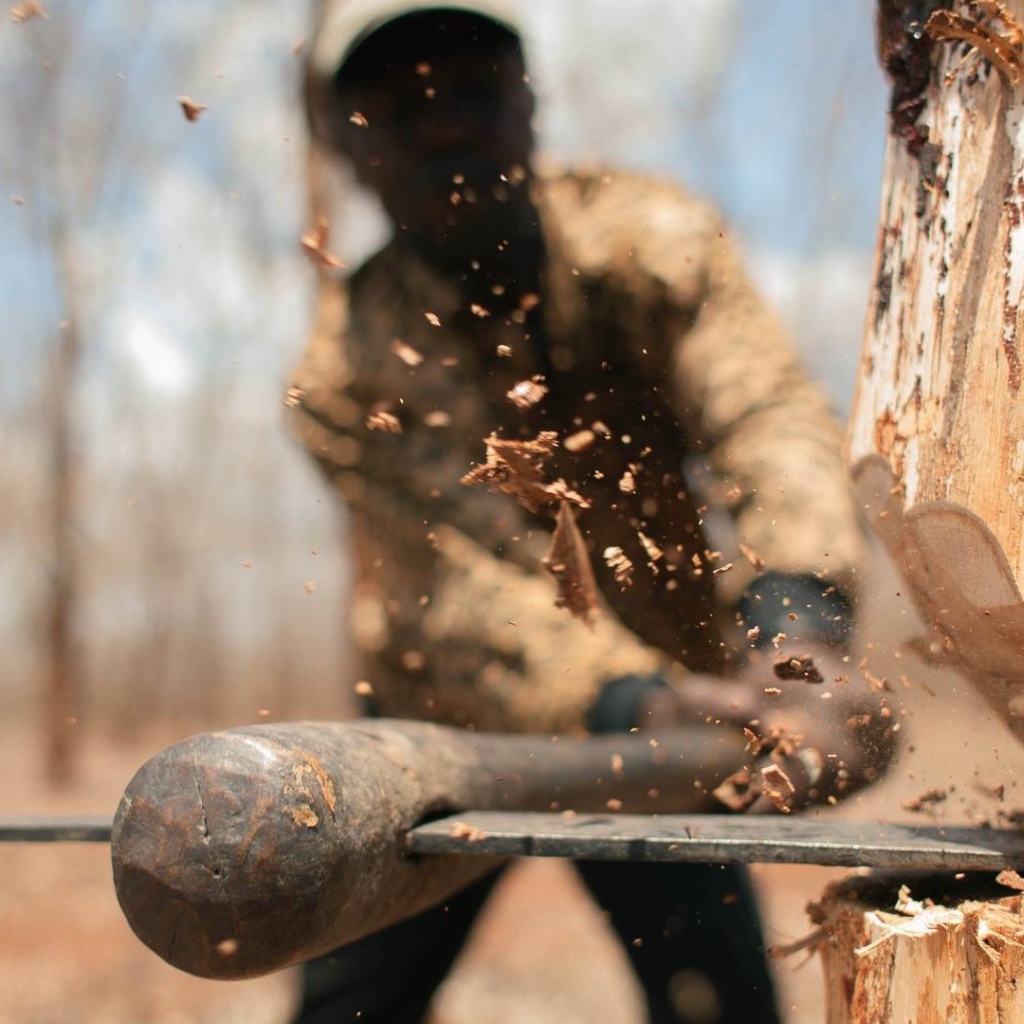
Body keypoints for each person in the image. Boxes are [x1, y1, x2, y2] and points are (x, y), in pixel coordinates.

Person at [288, 3, 895, 1021]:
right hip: (440, 732)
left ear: (529, 102)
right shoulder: (343, 372)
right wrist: (643, 704)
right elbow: (462, 588)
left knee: (718, 1002)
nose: (444, 126)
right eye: (402, 108)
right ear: (351, 149)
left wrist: (798, 636)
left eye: (474, 90)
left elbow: (765, 420)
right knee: (349, 1009)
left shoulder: (650, 243)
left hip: (677, 720)